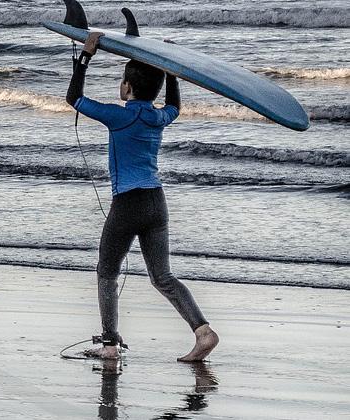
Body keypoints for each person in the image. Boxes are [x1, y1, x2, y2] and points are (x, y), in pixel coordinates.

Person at [66, 32, 219, 361]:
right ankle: (203, 332)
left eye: (123, 81)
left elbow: (74, 99)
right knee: (162, 276)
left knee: (106, 272)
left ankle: (109, 344)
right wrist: (172, 71)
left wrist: (85, 56)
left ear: (126, 88)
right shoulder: (157, 117)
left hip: (127, 204)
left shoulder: (118, 116)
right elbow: (175, 107)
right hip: (156, 202)